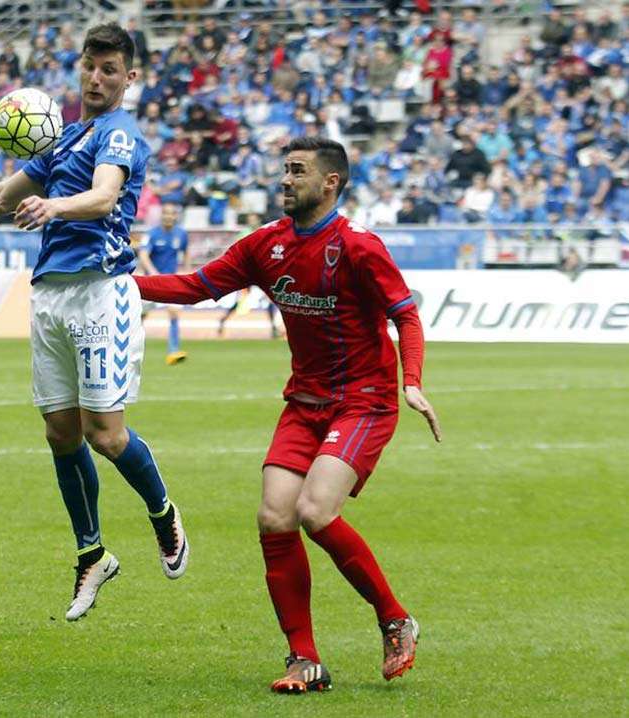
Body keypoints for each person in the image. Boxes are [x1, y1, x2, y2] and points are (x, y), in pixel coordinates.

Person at [0, 23, 188, 620]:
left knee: (106, 433)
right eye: (88, 67)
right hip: (49, 296)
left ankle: (162, 512)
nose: (96, 78)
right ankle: (92, 555)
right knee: (60, 434)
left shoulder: (121, 134)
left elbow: (102, 198)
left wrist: (54, 205)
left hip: (100, 291)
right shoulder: (65, 138)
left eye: (108, 69)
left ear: (129, 77)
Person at [133, 137, 442, 694]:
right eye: (284, 170)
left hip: (365, 399)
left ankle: (396, 619)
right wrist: (123, 286)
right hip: (305, 402)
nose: (284, 180)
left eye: (297, 172)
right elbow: (197, 287)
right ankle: (304, 660)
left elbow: (407, 317)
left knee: (315, 510)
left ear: (331, 183)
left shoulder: (359, 247)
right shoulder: (265, 245)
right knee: (275, 517)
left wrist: (413, 382)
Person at [137, 202, 189, 364]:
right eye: (165, 213)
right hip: (150, 282)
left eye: (172, 213)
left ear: (176, 216)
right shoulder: (151, 234)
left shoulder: (181, 234)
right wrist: (153, 273)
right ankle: (130, 346)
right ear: (161, 216)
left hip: (170, 281)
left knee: (174, 312)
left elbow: (186, 252)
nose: (168, 216)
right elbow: (143, 255)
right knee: (139, 316)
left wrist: (186, 272)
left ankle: (173, 351)